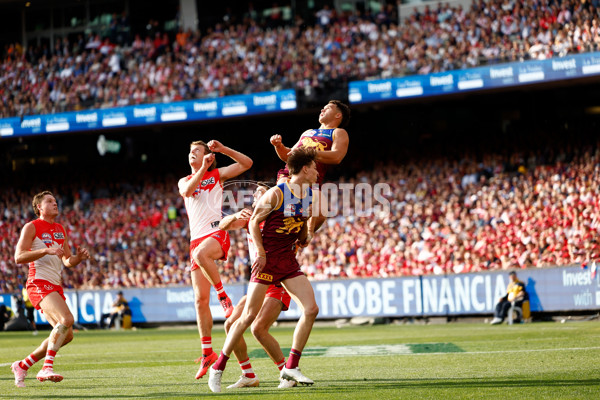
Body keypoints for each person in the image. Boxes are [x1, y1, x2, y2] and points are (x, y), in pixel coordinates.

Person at [208, 148, 320, 393]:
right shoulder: (277, 193)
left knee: (311, 309)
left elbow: (300, 226)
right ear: (304, 169)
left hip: (287, 260)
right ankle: (218, 368)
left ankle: (291, 367)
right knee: (247, 319)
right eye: (314, 167)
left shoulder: (309, 194)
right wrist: (260, 252)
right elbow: (250, 222)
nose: (317, 171)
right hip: (267, 261)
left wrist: (305, 234)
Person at [178, 140, 253, 380]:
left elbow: (247, 163)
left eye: (197, 151)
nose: (192, 154)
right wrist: (201, 169)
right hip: (195, 239)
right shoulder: (185, 180)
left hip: (216, 232)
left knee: (201, 254)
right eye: (190, 151)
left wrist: (223, 150)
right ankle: (207, 352)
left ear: (207, 156)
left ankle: (223, 297)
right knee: (199, 300)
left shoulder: (216, 175)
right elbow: (187, 191)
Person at [218, 183, 297, 389]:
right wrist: (235, 216)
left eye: (260, 193)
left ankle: (286, 374)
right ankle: (248, 375)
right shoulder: (250, 220)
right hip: (259, 281)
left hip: (277, 281)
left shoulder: (278, 220)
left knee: (258, 329)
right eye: (254, 195)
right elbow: (222, 225)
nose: (255, 197)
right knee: (230, 325)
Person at [11, 191, 90, 387]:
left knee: (67, 334)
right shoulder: (32, 227)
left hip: (54, 284)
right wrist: (45, 250)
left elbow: (66, 260)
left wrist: (77, 259)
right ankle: (46, 367)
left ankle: (22, 365)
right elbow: (19, 257)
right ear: (39, 207)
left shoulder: (60, 229)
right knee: (67, 320)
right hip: (38, 282)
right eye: (50, 201)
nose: (55, 203)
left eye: (55, 200)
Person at [270, 100, 350, 232]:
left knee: (320, 214)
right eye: (323, 108)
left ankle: (301, 238)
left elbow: (337, 157)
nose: (322, 110)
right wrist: (279, 146)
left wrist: (309, 152)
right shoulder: (308, 132)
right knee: (284, 197)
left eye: (327, 108)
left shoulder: (338, 132)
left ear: (338, 115)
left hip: (311, 180)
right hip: (290, 174)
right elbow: (289, 156)